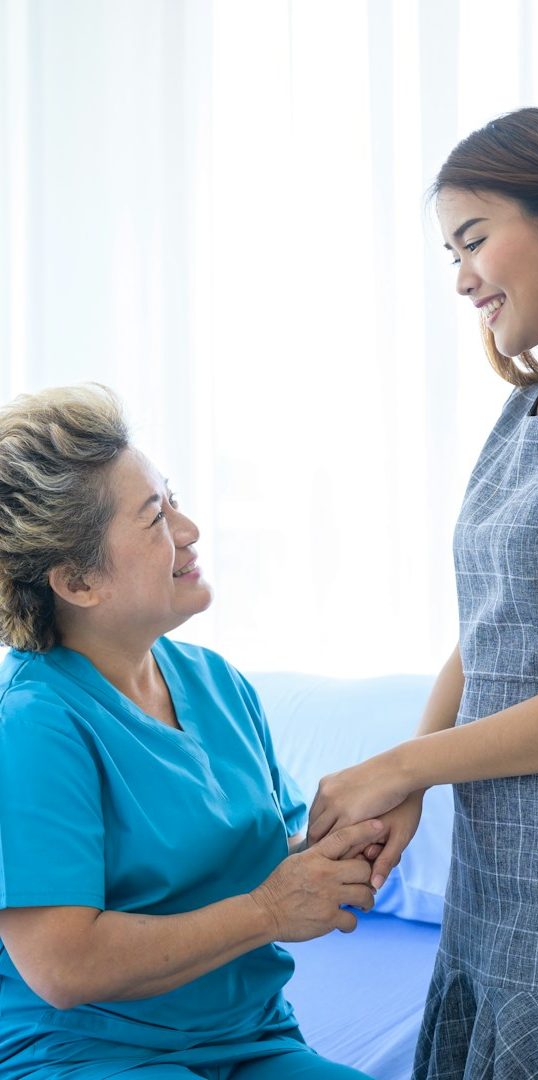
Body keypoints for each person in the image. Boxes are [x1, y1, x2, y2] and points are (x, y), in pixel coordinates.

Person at [307, 107, 538, 1077]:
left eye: (472, 240)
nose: (461, 278)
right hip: (494, 866)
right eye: (449, 254)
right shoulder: (521, 411)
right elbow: (490, 623)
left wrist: (402, 764)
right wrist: (413, 779)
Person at [0, 384, 382, 1080]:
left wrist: (336, 848)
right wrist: (269, 912)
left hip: (251, 1038)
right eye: (155, 517)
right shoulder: (32, 725)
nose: (189, 528)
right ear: (78, 582)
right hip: (84, 1054)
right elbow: (63, 966)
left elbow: (255, 859)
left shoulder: (216, 681)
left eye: (171, 498)